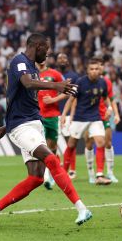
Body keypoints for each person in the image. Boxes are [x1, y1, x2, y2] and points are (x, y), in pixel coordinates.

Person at [0, 33, 91, 229]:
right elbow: (27, 83)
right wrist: (56, 86)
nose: (46, 56)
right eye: (46, 52)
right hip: (22, 127)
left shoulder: (32, 68)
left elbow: (23, 101)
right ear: (37, 46)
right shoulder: (19, 61)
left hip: (32, 124)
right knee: (52, 160)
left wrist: (7, 126)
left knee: (36, 178)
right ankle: (81, 208)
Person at [61, 57, 120, 185]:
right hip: (80, 118)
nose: (94, 71)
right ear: (87, 71)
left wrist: (109, 108)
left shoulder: (103, 83)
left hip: (95, 118)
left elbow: (106, 98)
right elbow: (71, 100)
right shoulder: (80, 82)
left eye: (96, 69)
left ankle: (99, 174)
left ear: (100, 70)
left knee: (100, 142)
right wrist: (64, 115)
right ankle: (63, 174)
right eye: (91, 69)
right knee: (71, 145)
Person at [83, 61, 120, 183]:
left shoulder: (106, 82)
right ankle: (91, 173)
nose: (98, 68)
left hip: (103, 116)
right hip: (89, 116)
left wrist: (115, 113)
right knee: (89, 143)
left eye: (100, 66)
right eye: (95, 67)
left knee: (107, 143)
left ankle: (109, 173)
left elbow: (111, 99)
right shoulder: (84, 82)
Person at [37, 59, 69, 189]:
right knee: (42, 146)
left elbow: (67, 90)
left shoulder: (55, 74)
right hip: (37, 116)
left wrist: (53, 99)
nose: (42, 59)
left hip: (52, 116)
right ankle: (46, 177)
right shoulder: (30, 75)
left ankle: (52, 174)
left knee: (53, 147)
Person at [56, 53, 80, 178]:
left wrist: (73, 114)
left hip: (68, 113)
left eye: (64, 58)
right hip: (54, 112)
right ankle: (59, 166)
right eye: (60, 58)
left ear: (68, 61)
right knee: (55, 141)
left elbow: (74, 97)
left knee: (69, 141)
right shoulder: (53, 75)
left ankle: (72, 170)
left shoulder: (74, 76)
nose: (62, 60)